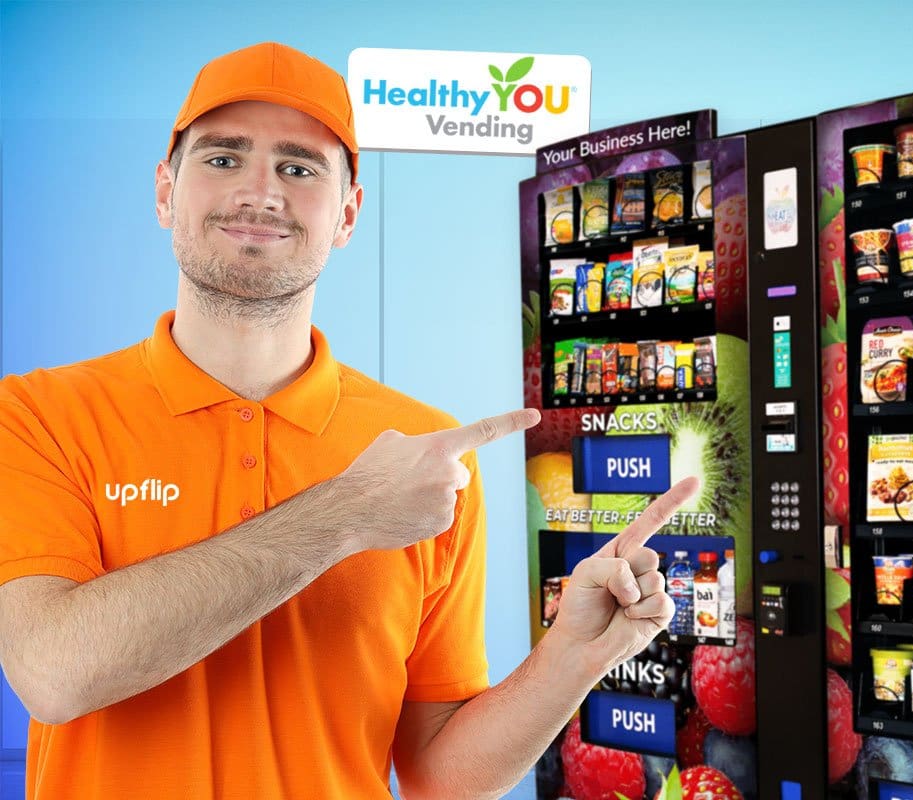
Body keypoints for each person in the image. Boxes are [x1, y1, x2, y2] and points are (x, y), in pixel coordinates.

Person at [0, 42, 697, 800]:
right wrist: (343, 515)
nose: (261, 192)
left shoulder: (426, 454)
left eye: (299, 168)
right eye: (224, 159)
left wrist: (572, 655)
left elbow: (439, 777)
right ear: (165, 192)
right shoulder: (40, 415)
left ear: (348, 214)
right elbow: (50, 671)